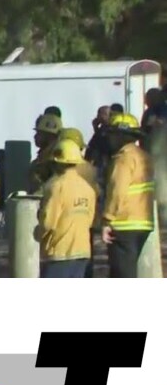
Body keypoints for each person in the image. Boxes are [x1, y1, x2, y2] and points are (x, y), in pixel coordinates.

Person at [101, 113, 153, 278]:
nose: (109, 138)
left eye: (112, 134)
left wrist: (107, 220)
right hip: (143, 222)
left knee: (122, 274)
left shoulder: (123, 159)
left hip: (124, 223)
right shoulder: (143, 156)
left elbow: (117, 191)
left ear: (120, 136)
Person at [34, 139, 97, 278]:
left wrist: (36, 236)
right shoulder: (88, 188)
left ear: (56, 163)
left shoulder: (56, 186)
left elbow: (48, 223)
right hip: (83, 251)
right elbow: (90, 220)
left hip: (59, 252)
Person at [57, 127, 103, 278]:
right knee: (86, 256)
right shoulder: (90, 168)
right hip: (86, 217)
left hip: (65, 220)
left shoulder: (63, 168)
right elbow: (97, 193)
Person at [28, 113, 63, 192]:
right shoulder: (43, 157)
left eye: (39, 133)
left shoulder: (56, 159)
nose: (35, 136)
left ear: (49, 135)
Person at [85, 105, 113, 174]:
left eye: (101, 114)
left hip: (104, 161)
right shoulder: (102, 128)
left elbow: (101, 143)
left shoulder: (110, 129)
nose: (98, 116)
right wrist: (95, 127)